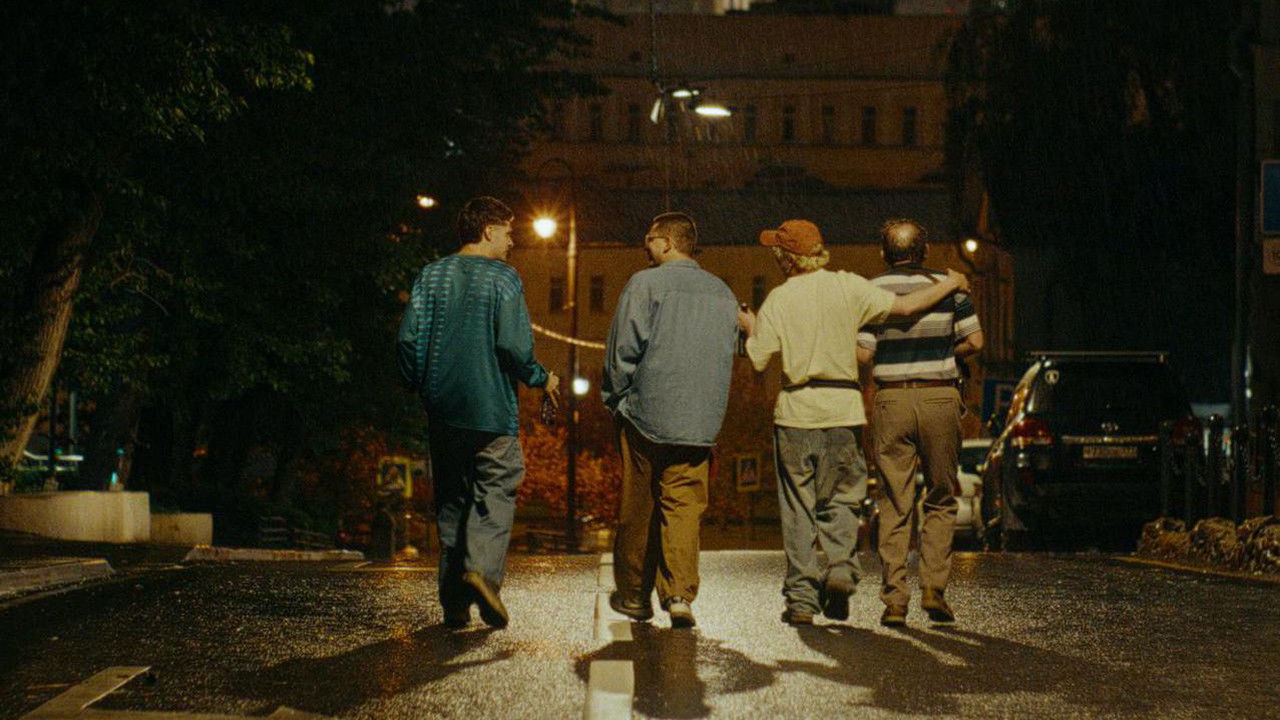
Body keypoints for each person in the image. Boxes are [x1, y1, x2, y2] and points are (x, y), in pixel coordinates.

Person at [738, 219, 969, 626]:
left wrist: (750, 326)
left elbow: (757, 358)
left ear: (786, 259)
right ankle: (842, 570)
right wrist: (951, 283)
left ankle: (802, 601)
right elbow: (907, 307)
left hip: (796, 412)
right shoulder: (849, 286)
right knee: (843, 499)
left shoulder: (778, 298)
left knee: (798, 509)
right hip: (843, 410)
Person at [397, 196, 560, 630]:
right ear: (489, 231)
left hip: (443, 411)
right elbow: (513, 345)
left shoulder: (431, 275)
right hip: (492, 411)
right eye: (508, 232)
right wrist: (541, 378)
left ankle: (454, 605)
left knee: (452, 501)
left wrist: (419, 383)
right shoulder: (504, 278)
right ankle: (482, 574)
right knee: (496, 490)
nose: (512, 242)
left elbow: (408, 340)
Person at [602, 211, 738, 629]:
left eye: (649, 239)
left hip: (647, 412)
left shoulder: (645, 284)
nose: (645, 246)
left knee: (639, 506)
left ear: (665, 243)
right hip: (700, 421)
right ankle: (679, 595)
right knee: (683, 508)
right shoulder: (722, 292)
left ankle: (634, 596)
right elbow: (729, 351)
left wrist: (616, 400)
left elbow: (623, 350)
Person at [857, 218, 984, 628]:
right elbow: (976, 341)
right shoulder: (951, 289)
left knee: (894, 501)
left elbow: (863, 354)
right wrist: (944, 349)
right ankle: (934, 589)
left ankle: (895, 600)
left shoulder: (872, 291)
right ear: (925, 251)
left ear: (884, 253)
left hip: (892, 399)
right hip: (939, 396)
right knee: (941, 496)